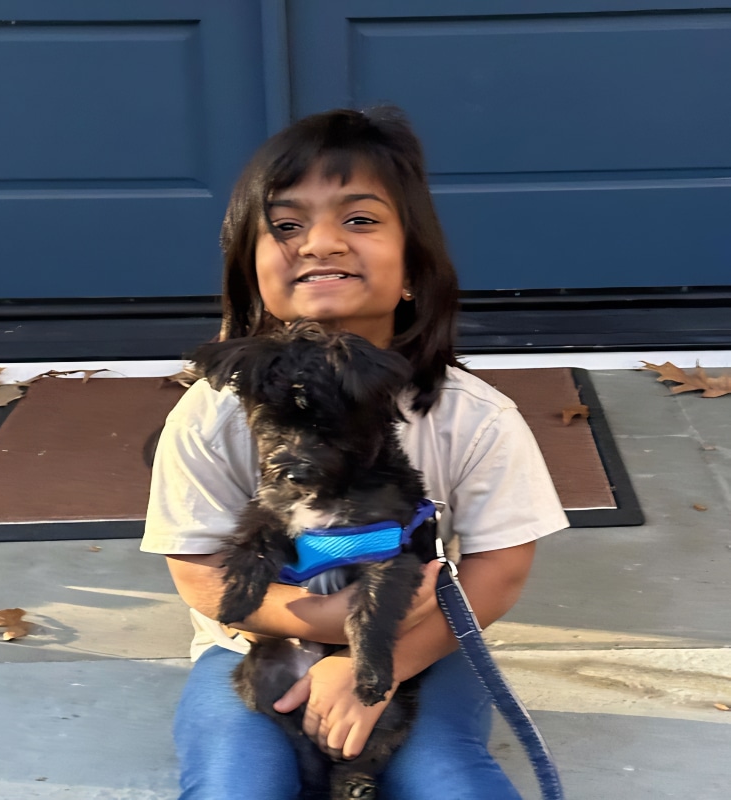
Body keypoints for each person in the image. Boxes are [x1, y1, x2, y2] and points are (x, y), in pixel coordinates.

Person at [141, 106, 569, 799]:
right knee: (235, 785)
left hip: (422, 649)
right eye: (284, 226)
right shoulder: (211, 413)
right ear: (252, 275)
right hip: (253, 647)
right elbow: (199, 574)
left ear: (412, 270)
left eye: (359, 219)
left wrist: (382, 661)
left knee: (450, 782)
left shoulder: (471, 415)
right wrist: (332, 629)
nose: (319, 243)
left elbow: (501, 569)